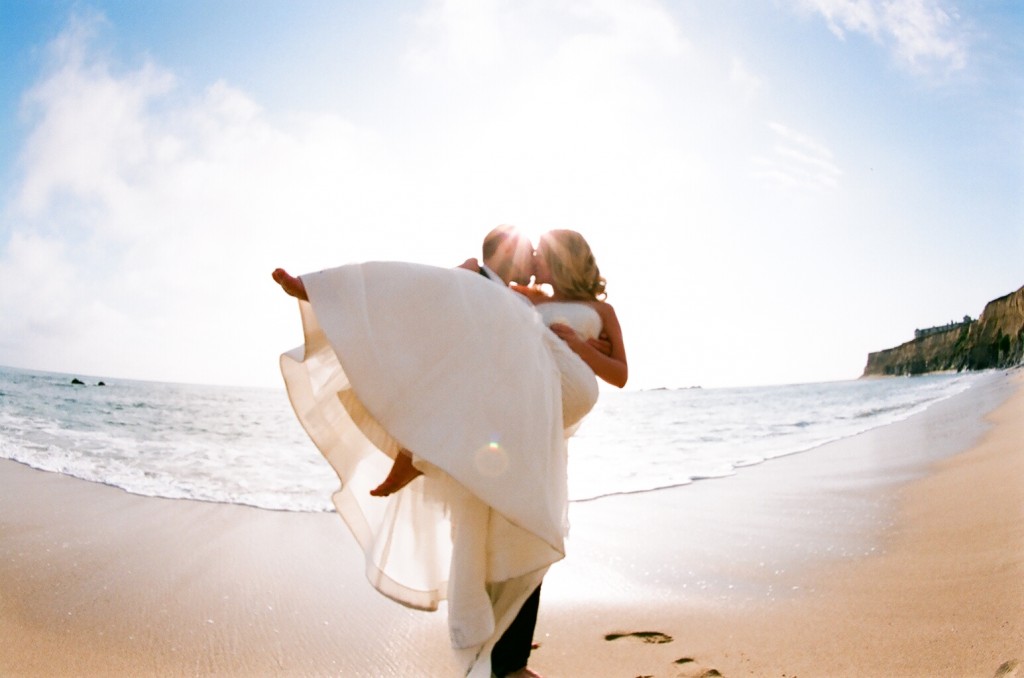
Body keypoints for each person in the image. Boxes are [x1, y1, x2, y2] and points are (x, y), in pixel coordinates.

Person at [271, 226, 626, 678]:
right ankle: (331, 296)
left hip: (550, 413)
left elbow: (619, 373)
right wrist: (467, 274)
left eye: (543, 253)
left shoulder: (601, 310)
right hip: (521, 415)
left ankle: (419, 454)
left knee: (524, 521)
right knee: (504, 527)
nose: (535, 259)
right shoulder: (523, 297)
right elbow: (468, 304)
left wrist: (578, 346)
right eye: (532, 251)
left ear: (568, 260)